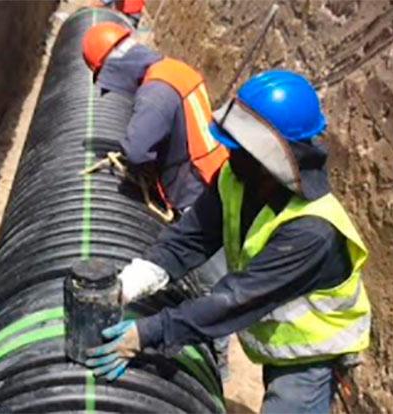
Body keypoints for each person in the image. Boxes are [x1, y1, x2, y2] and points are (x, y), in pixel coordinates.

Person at [84, 70, 372, 414]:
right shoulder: (238, 179)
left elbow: (234, 301)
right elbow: (190, 238)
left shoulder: (312, 231)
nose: (228, 153)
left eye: (239, 148)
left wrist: (146, 335)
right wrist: (130, 283)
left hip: (311, 355)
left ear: (272, 159)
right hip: (275, 337)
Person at [82, 22, 232, 377]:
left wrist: (140, 166)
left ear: (113, 66)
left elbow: (136, 148)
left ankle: (217, 366)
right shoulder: (173, 70)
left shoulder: (155, 91)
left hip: (198, 192)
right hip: (212, 175)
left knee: (212, 284)